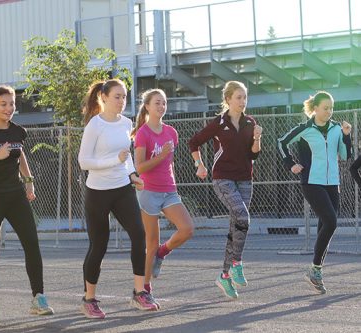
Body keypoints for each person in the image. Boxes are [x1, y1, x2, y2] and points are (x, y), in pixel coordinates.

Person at [0, 85, 53, 325]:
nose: (8, 108)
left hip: (15, 196)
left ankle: (39, 298)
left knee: (32, 245)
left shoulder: (18, 131)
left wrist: (29, 181)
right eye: (3, 104)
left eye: (12, 104)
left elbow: (19, 152)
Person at [78, 79, 158, 319]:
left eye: (124, 97)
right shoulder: (95, 125)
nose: (122, 101)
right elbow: (84, 162)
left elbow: (127, 156)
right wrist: (114, 161)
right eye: (117, 96)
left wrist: (132, 174)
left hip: (122, 188)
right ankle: (89, 299)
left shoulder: (126, 122)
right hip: (98, 192)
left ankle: (139, 293)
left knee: (138, 234)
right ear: (103, 97)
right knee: (98, 246)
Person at [188, 81, 262, 300]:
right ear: (228, 99)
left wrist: (257, 137)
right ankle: (237, 264)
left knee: (236, 227)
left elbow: (254, 155)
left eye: (244, 97)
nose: (242, 101)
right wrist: (199, 165)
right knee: (243, 216)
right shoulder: (219, 123)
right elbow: (194, 142)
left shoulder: (250, 122)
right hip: (223, 178)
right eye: (238, 97)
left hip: (245, 179)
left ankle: (224, 275)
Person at [278, 91, 351, 294]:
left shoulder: (337, 128)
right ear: (316, 108)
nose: (329, 111)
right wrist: (290, 164)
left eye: (331, 108)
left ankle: (315, 272)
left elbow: (346, 156)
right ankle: (316, 270)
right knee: (331, 221)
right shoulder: (305, 129)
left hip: (332, 183)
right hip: (311, 182)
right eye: (325, 108)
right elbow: (281, 142)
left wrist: (346, 137)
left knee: (325, 225)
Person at [131, 89, 194, 307]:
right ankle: (145, 289)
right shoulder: (143, 133)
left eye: (164, 103)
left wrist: (172, 179)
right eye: (157, 103)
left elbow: (171, 163)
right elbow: (139, 167)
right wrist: (160, 155)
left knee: (187, 229)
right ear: (147, 106)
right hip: (148, 191)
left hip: (169, 190)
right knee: (150, 241)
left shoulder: (171, 132)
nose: (161, 107)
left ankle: (162, 252)